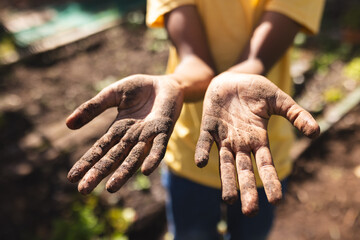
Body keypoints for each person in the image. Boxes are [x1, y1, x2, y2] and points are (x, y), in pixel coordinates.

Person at [66, 0, 324, 239]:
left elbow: (256, 58)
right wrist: (174, 83)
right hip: (190, 153)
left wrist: (231, 82)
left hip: (258, 150)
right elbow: (194, 61)